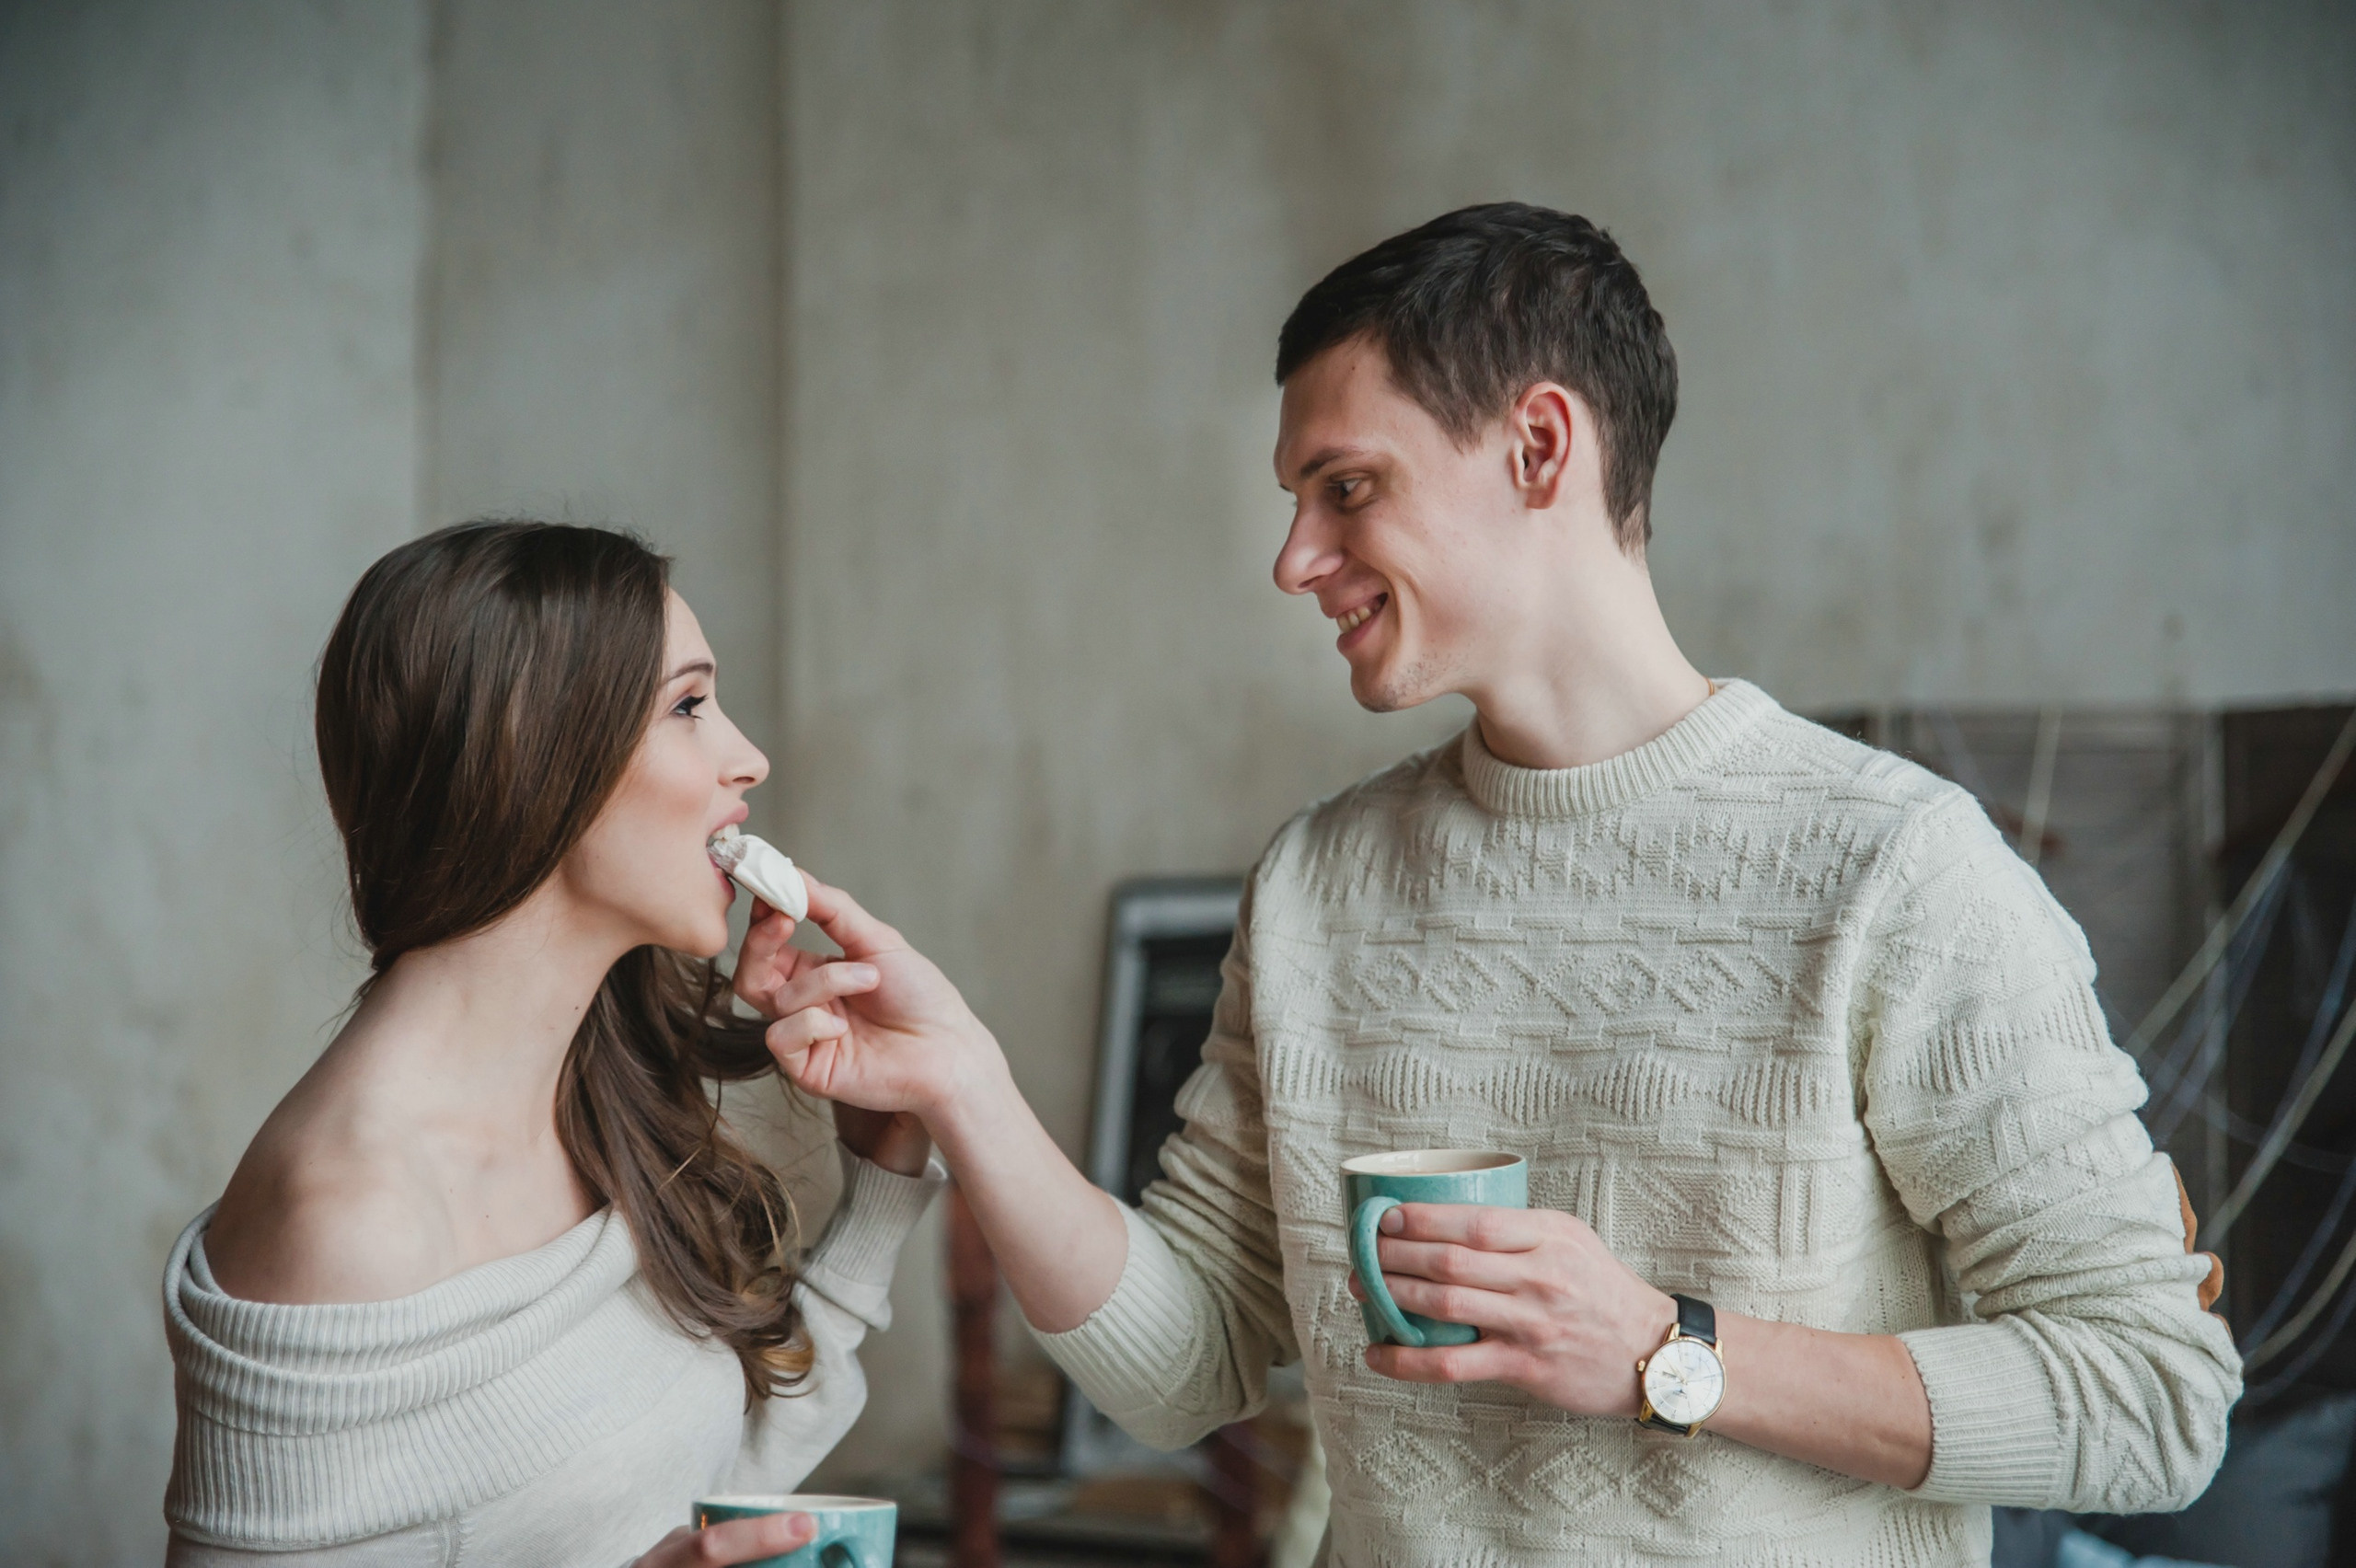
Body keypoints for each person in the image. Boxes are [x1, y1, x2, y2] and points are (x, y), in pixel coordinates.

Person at [749, 204, 2242, 1565]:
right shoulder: (1317, 885)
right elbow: (1181, 1365)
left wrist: (1668, 1348)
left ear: (1541, 447)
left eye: (1346, 487)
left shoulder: (1893, 869)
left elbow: (2155, 1391)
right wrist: (968, 1087)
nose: (1292, 559)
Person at [163, 522, 940, 1567]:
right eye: (689, 706)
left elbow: (683, 1490)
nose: (746, 756)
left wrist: (881, 1176)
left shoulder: (590, 1101)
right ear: (533, 755)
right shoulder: (350, 1221)